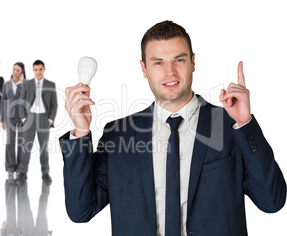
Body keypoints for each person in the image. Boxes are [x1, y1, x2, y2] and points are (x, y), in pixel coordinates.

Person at [60, 21, 286, 236]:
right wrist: (80, 133)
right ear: (144, 68)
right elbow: (81, 211)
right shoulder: (118, 134)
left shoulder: (230, 126)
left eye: (179, 60)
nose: (170, 72)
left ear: (193, 62)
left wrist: (245, 125)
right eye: (158, 62)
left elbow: (272, 201)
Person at [17, 60, 58, 185]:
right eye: (36, 69)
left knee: (44, 148)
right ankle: (22, 172)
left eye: (40, 69)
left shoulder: (50, 84)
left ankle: (45, 173)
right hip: (30, 118)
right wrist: (24, 118)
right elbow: (21, 102)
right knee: (26, 147)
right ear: (33, 70)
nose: (38, 72)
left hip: (44, 119)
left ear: (44, 69)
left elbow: (54, 104)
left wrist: (50, 120)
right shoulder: (27, 84)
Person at [1, 62, 26, 178]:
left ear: (21, 72)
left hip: (22, 117)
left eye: (18, 70)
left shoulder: (25, 84)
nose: (15, 72)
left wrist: (21, 83)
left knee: (21, 142)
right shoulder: (6, 84)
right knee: (10, 142)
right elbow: (3, 102)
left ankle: (20, 168)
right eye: (14, 69)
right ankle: (10, 167)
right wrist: (2, 119)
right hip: (9, 116)